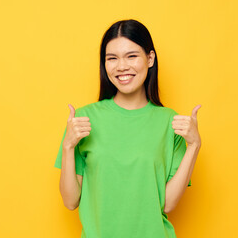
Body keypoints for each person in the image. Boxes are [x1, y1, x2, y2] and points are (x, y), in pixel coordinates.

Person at [54, 19, 201, 238]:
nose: (122, 66)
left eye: (131, 56)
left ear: (150, 59)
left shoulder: (171, 123)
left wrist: (194, 145)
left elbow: (167, 204)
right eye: (112, 58)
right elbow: (70, 201)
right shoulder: (84, 119)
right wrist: (68, 146)